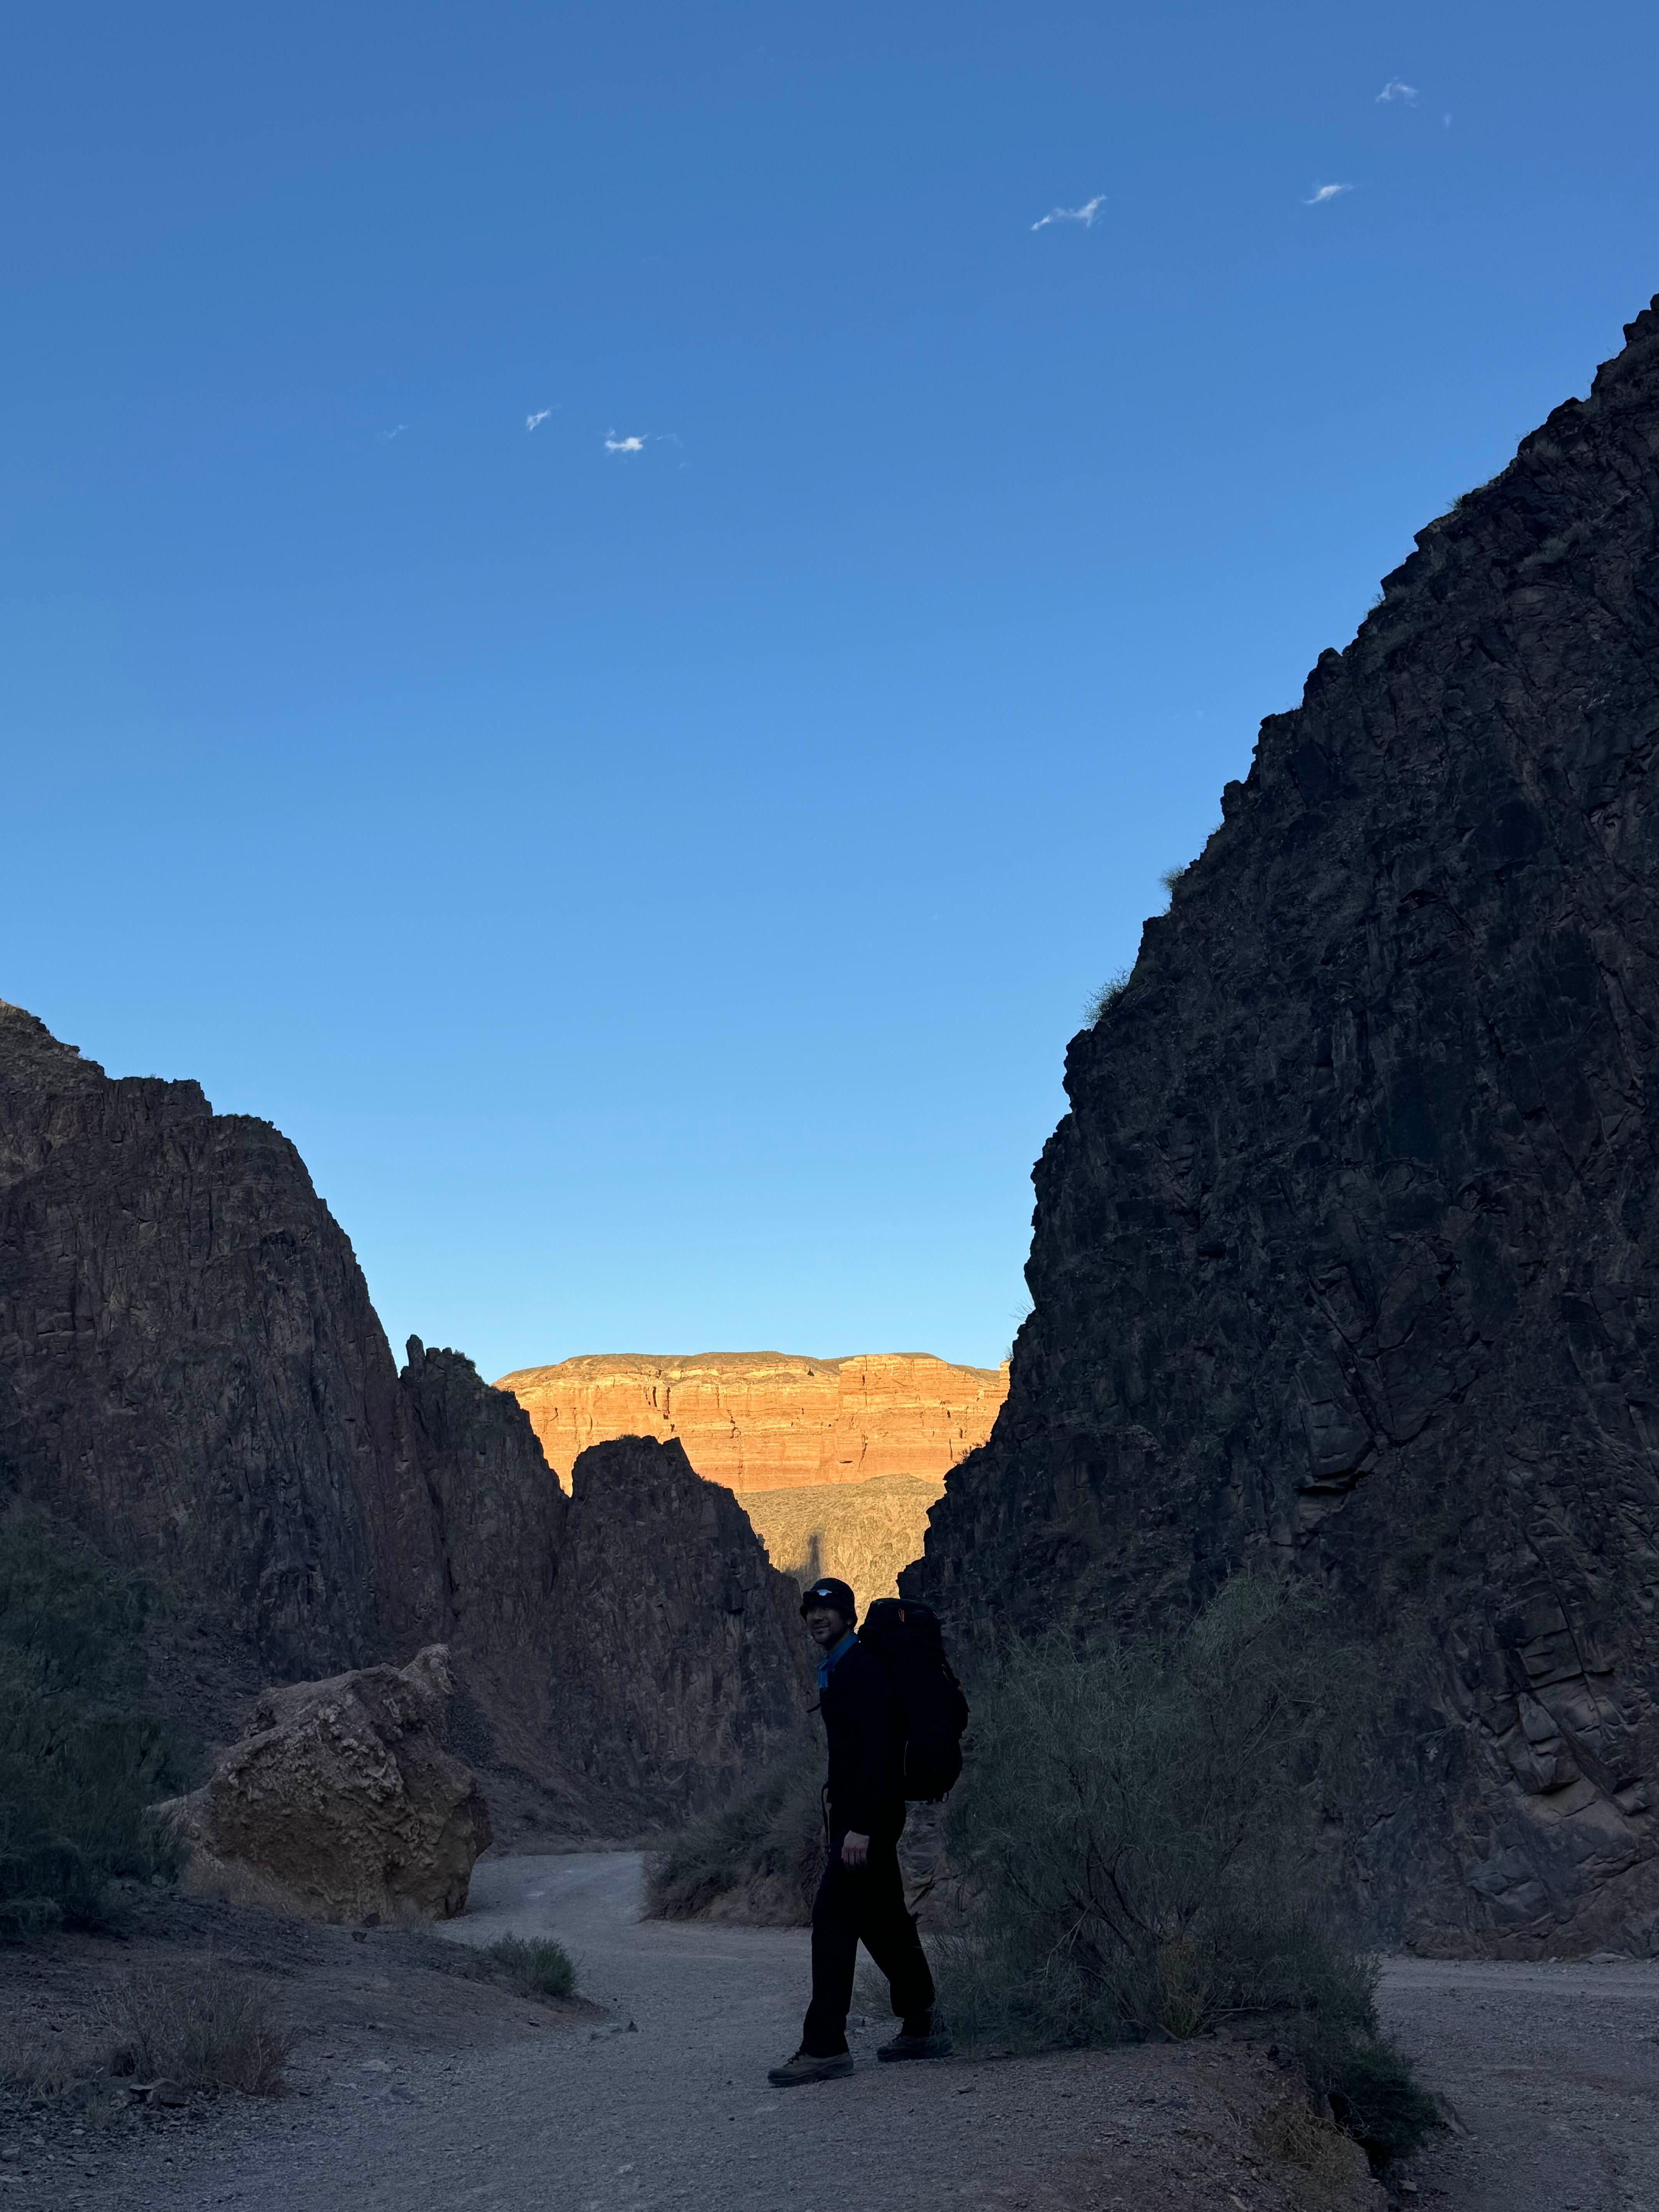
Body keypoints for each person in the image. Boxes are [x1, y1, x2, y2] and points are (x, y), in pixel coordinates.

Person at [767, 1576, 951, 2087]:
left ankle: (825, 2047)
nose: (817, 1617)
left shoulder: (862, 1669)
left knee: (832, 1919)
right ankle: (923, 2024)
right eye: (811, 1610)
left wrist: (863, 1826)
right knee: (884, 1921)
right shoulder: (839, 1667)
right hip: (860, 1817)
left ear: (849, 1616)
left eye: (828, 1609)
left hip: (868, 1819)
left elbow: (880, 1754)